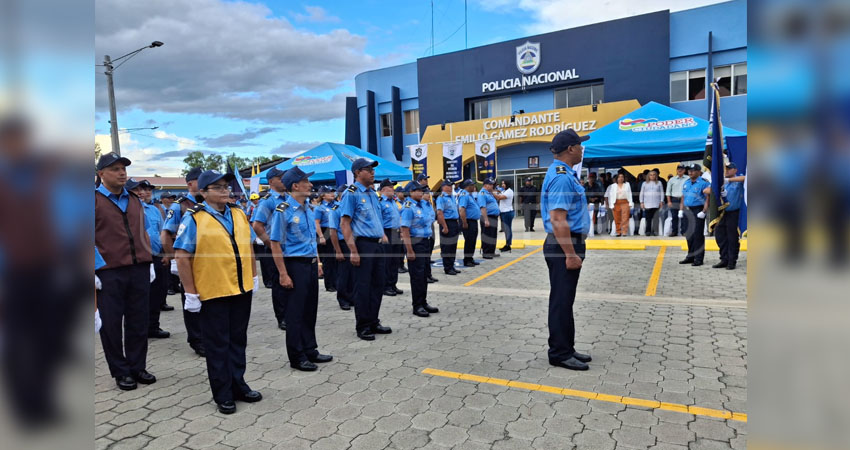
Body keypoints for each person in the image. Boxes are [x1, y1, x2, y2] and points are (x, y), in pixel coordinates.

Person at [174, 169, 261, 414]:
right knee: (218, 344)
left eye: (226, 186)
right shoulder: (194, 218)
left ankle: (239, 384)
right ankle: (223, 393)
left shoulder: (238, 213)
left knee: (237, 341)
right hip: (213, 292)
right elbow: (182, 256)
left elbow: (249, 246)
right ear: (203, 192)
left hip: (240, 287)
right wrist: (190, 293)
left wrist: (253, 277)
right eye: (218, 187)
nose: (225, 191)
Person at [94, 153, 157, 391]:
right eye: (115, 169)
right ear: (101, 174)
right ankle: (120, 371)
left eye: (123, 168)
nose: (122, 173)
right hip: (108, 272)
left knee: (139, 320)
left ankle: (137, 366)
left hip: (138, 268)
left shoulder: (134, 200)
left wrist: (148, 260)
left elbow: (144, 232)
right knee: (111, 324)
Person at [268, 167, 333, 372]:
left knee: (309, 310)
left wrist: (318, 263)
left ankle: (310, 349)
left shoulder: (308, 209)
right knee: (295, 313)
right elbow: (275, 243)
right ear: (295, 186)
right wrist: (283, 274)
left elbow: (311, 242)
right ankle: (297, 356)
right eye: (307, 181)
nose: (311, 185)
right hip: (294, 265)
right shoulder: (283, 210)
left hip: (310, 265)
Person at [541, 129, 593, 371]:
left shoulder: (566, 174)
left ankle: (567, 347)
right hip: (564, 245)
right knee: (561, 300)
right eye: (579, 145)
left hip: (567, 243)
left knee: (566, 299)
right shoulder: (562, 176)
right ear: (570, 149)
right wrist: (571, 254)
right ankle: (559, 353)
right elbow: (558, 219)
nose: (582, 148)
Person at [339, 158, 392, 341]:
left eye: (372, 169)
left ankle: (373, 320)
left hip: (377, 244)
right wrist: (352, 250)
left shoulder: (372, 193)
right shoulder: (351, 194)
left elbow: (376, 218)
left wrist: (382, 234)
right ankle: (362, 325)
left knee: (378, 284)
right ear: (357, 172)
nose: (372, 172)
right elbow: (344, 223)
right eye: (368, 169)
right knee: (363, 286)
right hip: (362, 245)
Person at [160, 167, 207, 356]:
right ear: (190, 184)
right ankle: (196, 340)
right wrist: (173, 259)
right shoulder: (179, 205)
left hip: (209, 262)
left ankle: (209, 335)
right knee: (191, 297)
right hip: (189, 260)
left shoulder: (209, 202)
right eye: (200, 180)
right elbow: (166, 235)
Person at [126, 178, 171, 339]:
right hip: (137, 259)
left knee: (158, 293)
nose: (144, 193)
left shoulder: (154, 210)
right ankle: (139, 329)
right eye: (140, 189)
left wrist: (166, 254)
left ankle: (153, 326)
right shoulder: (128, 209)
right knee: (140, 296)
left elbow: (162, 233)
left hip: (156, 256)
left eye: (147, 190)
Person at [250, 167, 288, 330]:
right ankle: (282, 317)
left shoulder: (289, 198)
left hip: (290, 248)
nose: (284, 180)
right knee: (279, 284)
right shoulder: (268, 200)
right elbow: (257, 225)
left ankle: (292, 313)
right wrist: (269, 244)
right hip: (275, 247)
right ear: (271, 181)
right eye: (281, 178)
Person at [400, 181, 441, 318]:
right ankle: (417, 305)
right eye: (418, 190)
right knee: (417, 276)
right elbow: (404, 230)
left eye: (421, 190)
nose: (421, 192)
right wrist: (409, 250)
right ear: (411, 192)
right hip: (415, 244)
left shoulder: (423, 204)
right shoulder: (408, 207)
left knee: (423, 275)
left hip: (425, 242)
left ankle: (423, 302)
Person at [713, 162, 746, 270]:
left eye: (729, 169)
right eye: (725, 169)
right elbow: (709, 190)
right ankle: (724, 259)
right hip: (721, 213)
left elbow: (745, 178)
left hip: (733, 213)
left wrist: (729, 180)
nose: (726, 171)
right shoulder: (721, 181)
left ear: (735, 170)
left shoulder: (738, 180)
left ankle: (732, 261)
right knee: (720, 236)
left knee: (732, 237)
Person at [679, 164, 711, 266]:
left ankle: (698, 258)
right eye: (689, 170)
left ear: (698, 172)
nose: (690, 172)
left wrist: (704, 211)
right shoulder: (686, 182)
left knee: (698, 235)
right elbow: (683, 197)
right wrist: (681, 209)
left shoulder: (703, 183)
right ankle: (690, 256)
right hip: (687, 210)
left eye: (693, 170)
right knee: (689, 234)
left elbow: (708, 198)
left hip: (698, 210)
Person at [378, 179, 404, 296]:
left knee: (395, 260)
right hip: (386, 233)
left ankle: (393, 284)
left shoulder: (394, 201)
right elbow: (378, 221)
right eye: (390, 187)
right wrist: (382, 235)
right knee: (387, 261)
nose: (393, 189)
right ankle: (385, 286)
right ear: (383, 190)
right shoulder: (380, 203)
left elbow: (398, 218)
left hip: (396, 232)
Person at [329, 186, 353, 310]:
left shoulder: (351, 208)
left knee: (353, 273)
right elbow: (333, 232)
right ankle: (343, 299)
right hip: (342, 244)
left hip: (353, 243)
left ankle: (351, 296)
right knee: (343, 273)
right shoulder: (336, 209)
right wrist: (338, 251)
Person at [315, 187, 339, 293]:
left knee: (336, 259)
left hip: (335, 231)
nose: (332, 194)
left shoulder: (336, 206)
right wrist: (321, 236)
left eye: (333, 192)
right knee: (328, 260)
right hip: (325, 232)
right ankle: (329, 284)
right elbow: (317, 223)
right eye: (329, 192)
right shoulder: (319, 208)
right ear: (323, 195)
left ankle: (337, 282)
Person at [436, 180, 462, 275]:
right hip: (447, 223)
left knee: (453, 246)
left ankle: (451, 265)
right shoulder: (441, 198)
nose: (451, 188)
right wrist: (444, 226)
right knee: (447, 246)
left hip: (454, 223)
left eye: (451, 186)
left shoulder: (452, 196)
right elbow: (440, 213)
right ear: (443, 187)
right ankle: (447, 267)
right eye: (449, 186)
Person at [457, 179, 481, 267]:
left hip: (473, 221)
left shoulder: (469, 195)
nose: (474, 187)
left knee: (473, 241)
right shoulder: (464, 195)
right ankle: (467, 260)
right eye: (472, 185)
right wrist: (464, 222)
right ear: (468, 186)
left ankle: (470, 258)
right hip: (468, 222)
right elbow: (462, 209)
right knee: (469, 241)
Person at [478, 178, 501, 258]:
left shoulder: (489, 193)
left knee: (493, 235)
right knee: (487, 235)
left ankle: (491, 251)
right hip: (487, 217)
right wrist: (486, 220)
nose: (492, 186)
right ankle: (486, 252)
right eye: (491, 184)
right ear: (486, 185)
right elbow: (483, 207)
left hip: (493, 217)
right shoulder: (482, 194)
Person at [421, 186, 439, 283]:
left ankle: (429, 274)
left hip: (430, 228)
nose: (429, 195)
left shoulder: (428, 204)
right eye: (427, 193)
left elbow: (432, 216)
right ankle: (425, 276)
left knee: (428, 255)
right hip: (424, 229)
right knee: (425, 257)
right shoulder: (421, 204)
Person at [639, 170, 665, 236]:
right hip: (647, 203)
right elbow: (642, 193)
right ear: (648, 176)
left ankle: (655, 231)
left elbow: (662, 192)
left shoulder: (659, 183)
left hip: (656, 203)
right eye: (651, 175)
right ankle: (648, 231)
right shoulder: (644, 183)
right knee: (648, 218)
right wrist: (641, 202)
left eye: (654, 175)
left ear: (656, 176)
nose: (652, 176)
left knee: (656, 218)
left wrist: (661, 201)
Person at [666, 164, 688, 236]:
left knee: (684, 216)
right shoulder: (672, 179)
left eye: (681, 169)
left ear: (684, 170)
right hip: (674, 199)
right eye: (678, 169)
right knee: (674, 216)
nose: (680, 170)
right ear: (676, 170)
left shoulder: (688, 178)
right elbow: (668, 191)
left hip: (684, 199)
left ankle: (684, 231)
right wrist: (669, 201)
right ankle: (674, 231)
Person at [494, 180, 515, 252]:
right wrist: (495, 189)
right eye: (502, 184)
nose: (502, 185)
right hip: (504, 213)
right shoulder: (505, 191)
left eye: (504, 184)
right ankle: (507, 244)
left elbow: (499, 197)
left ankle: (508, 245)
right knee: (506, 229)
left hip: (507, 212)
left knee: (507, 229)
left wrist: (492, 192)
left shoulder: (509, 191)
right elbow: (500, 192)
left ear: (507, 184)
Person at [394, 186, 409, 274]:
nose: (403, 194)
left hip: (404, 227)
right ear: (397, 193)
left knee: (403, 249)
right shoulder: (396, 203)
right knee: (399, 249)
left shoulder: (405, 202)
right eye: (401, 192)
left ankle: (402, 264)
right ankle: (398, 266)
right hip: (398, 228)